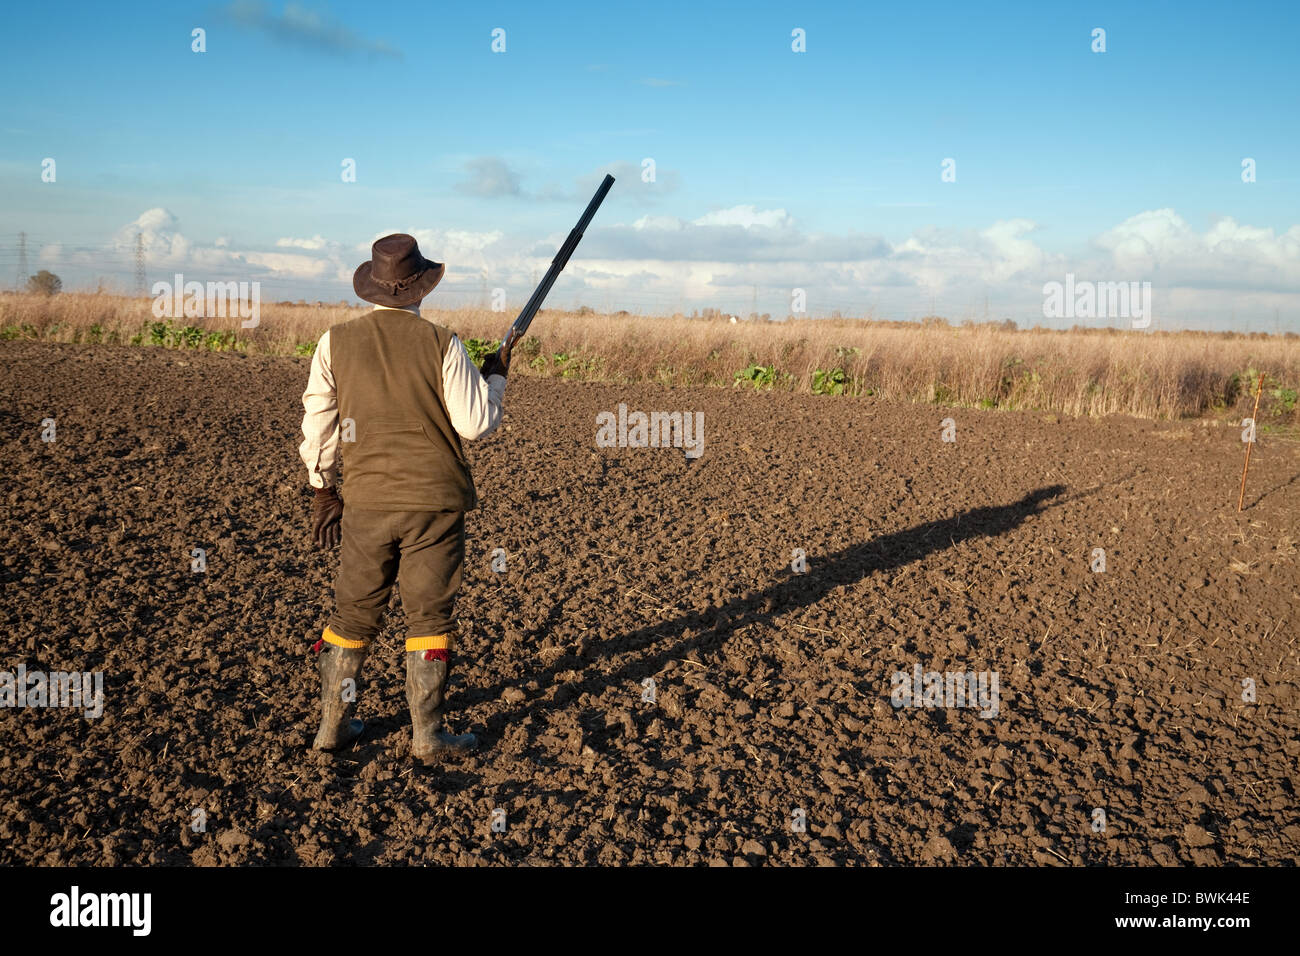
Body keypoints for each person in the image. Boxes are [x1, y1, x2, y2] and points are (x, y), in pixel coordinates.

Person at [298, 233, 510, 762]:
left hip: (366, 504)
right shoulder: (444, 342)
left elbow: (318, 424)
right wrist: (497, 376)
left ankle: (331, 728)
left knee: (352, 616)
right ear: (421, 287)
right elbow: (476, 423)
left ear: (371, 286)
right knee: (429, 617)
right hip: (433, 506)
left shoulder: (332, 342)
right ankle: (429, 737)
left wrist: (323, 489)